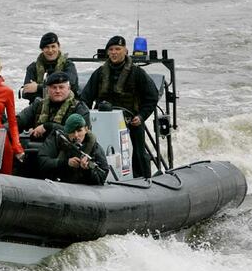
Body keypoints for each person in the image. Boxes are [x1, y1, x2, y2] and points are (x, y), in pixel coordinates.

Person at [80, 35, 159, 178]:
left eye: (118, 49)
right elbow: (85, 98)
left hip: (131, 122)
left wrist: (141, 116)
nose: (114, 52)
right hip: (103, 122)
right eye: (111, 49)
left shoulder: (137, 73)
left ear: (126, 51)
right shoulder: (99, 73)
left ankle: (143, 178)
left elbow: (152, 97)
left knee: (138, 154)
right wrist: (86, 120)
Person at [17, 71, 90, 142]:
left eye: (61, 87)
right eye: (54, 87)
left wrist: (48, 127)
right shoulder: (38, 104)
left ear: (68, 88)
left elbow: (79, 134)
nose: (57, 91)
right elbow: (18, 121)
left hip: (66, 150)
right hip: (39, 147)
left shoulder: (79, 108)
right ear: (47, 89)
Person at [37, 113, 109, 185]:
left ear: (86, 130)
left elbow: (101, 178)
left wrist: (87, 170)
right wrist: (66, 163)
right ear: (67, 131)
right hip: (54, 184)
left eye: (79, 130)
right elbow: (42, 162)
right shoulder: (57, 139)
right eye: (72, 131)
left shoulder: (94, 147)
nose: (76, 135)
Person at [22, 32, 79, 104]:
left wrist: (38, 88)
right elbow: (27, 92)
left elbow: (69, 85)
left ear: (58, 46)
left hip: (67, 105)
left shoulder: (68, 65)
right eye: (47, 47)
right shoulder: (32, 68)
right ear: (42, 49)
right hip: (39, 107)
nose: (50, 50)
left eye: (53, 46)